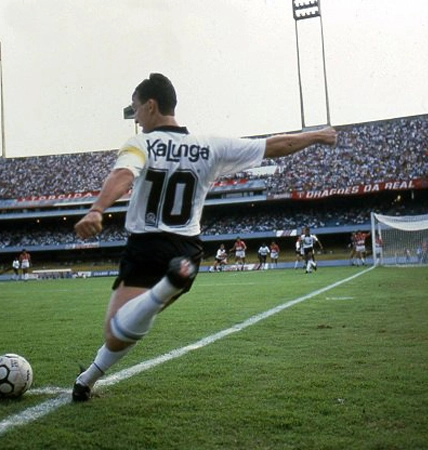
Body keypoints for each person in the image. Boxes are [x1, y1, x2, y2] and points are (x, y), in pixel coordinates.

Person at [72, 73, 337, 401]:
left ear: (151, 106)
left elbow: (123, 175)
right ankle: (86, 380)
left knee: (116, 332)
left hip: (147, 245)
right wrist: (316, 135)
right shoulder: (209, 145)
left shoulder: (140, 143)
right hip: (187, 250)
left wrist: (98, 209)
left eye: (137, 109)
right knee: (133, 325)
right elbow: (275, 146)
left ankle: (162, 290)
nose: (136, 118)